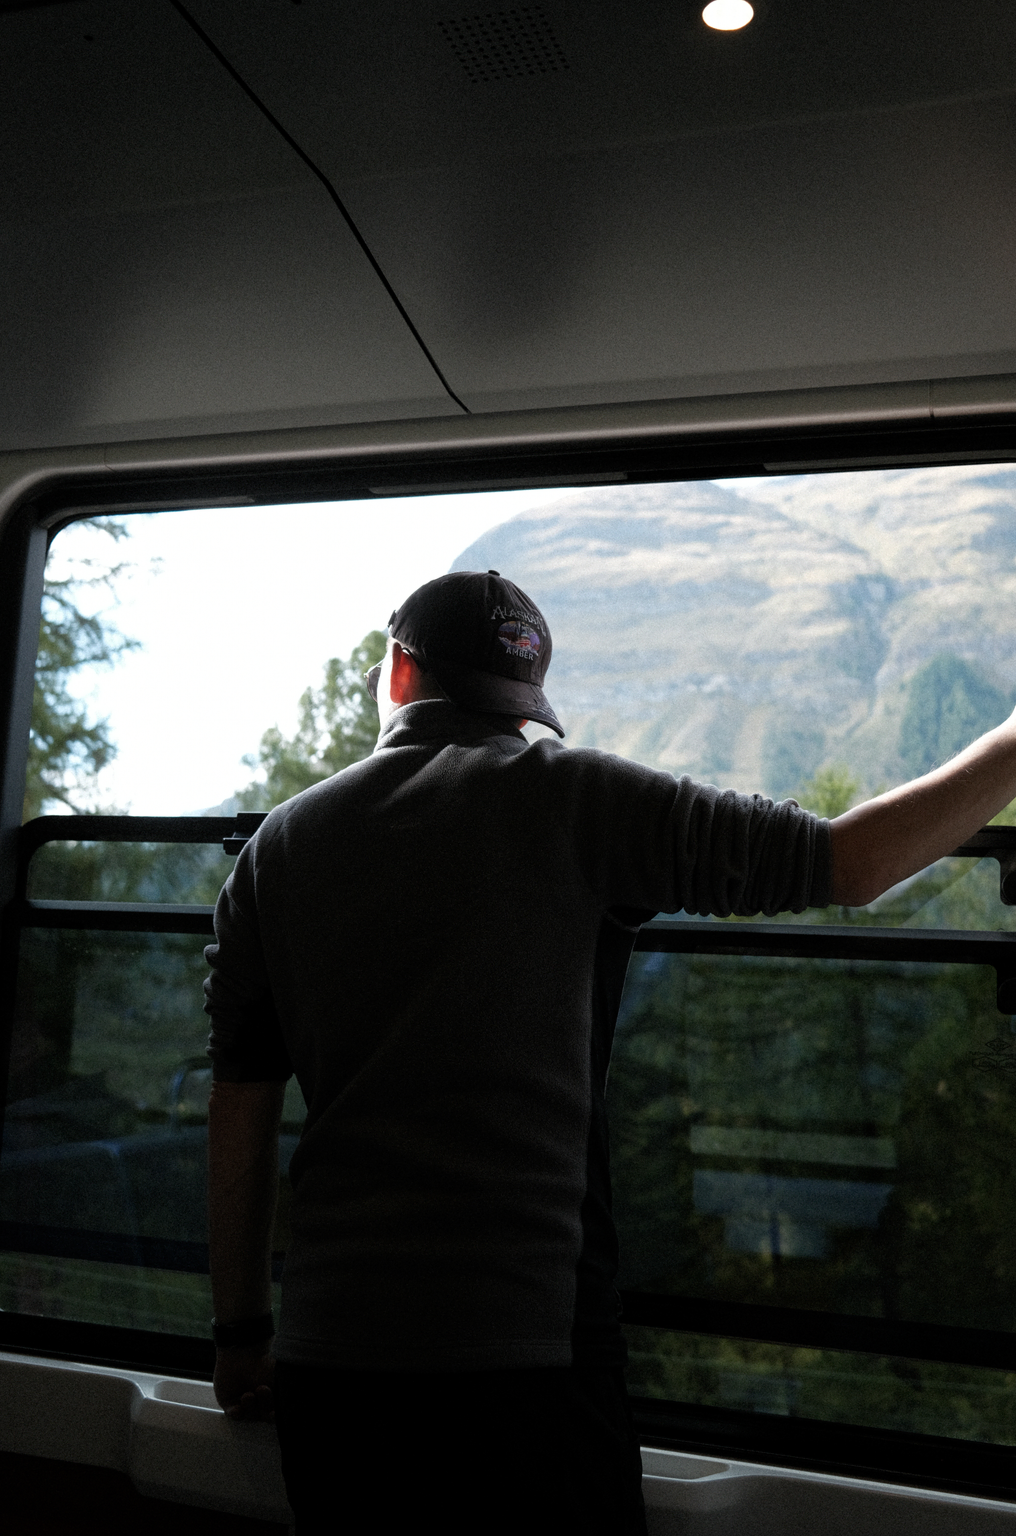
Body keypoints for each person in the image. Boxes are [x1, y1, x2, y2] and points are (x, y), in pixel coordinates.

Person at [205, 569, 1016, 1535]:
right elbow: (848, 864)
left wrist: (241, 1330)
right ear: (526, 704)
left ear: (397, 675)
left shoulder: (279, 847)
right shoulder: (578, 799)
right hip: (530, 1357)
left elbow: (241, 1112)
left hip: (332, 1359)